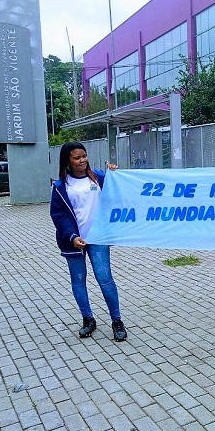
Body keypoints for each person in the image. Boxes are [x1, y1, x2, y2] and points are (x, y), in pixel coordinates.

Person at [50, 142, 127, 342]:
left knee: (105, 278)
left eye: (84, 156)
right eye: (77, 158)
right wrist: (72, 237)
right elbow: (58, 215)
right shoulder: (60, 186)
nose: (82, 160)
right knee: (78, 280)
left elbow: (119, 193)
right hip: (74, 241)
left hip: (98, 238)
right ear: (67, 160)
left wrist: (115, 174)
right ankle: (88, 319)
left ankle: (116, 320)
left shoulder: (99, 178)